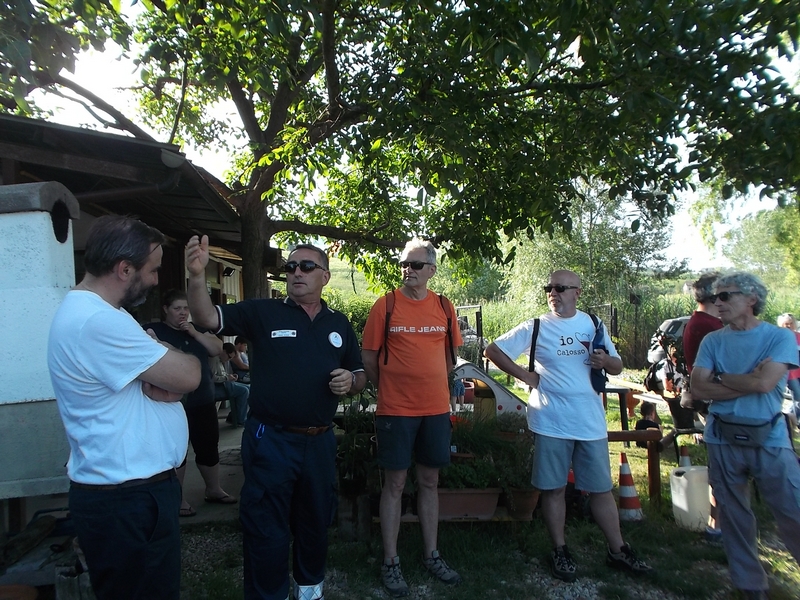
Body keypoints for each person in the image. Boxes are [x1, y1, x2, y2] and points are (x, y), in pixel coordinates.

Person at [185, 235, 366, 600]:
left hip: (319, 441)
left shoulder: (339, 323)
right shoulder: (262, 312)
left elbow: (360, 374)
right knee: (266, 527)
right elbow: (206, 317)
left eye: (306, 266)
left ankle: (310, 590)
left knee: (314, 522)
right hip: (272, 441)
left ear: (325, 277)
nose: (296, 272)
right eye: (291, 267)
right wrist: (197, 275)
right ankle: (270, 594)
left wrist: (351, 381)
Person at [47, 215, 201, 600]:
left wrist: (157, 362)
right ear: (124, 268)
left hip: (131, 497)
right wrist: (166, 360)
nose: (154, 280)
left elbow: (168, 380)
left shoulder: (106, 314)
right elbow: (190, 375)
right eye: (152, 271)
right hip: (126, 503)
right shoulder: (97, 321)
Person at [484, 269, 652, 582]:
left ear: (578, 291)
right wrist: (526, 377)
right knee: (554, 489)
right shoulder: (536, 326)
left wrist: (605, 362)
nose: (553, 292)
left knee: (601, 489)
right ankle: (560, 550)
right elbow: (492, 350)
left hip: (590, 422)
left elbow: (617, 365)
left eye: (560, 288)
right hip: (551, 421)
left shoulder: (593, 323)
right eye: (549, 287)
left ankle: (618, 550)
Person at [362, 239, 464, 597]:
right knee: (394, 483)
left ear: (432, 270)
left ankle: (431, 554)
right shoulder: (385, 306)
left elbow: (451, 359)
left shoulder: (444, 306)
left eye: (416, 265)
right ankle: (391, 561)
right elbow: (369, 359)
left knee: (430, 481)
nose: (408, 270)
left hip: (436, 410)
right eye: (404, 264)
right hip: (396, 411)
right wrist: (390, 389)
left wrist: (436, 390)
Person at [691, 272, 800, 600]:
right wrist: (745, 380)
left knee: (793, 511)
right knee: (735, 518)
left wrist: (721, 379)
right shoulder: (713, 340)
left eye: (726, 296)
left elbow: (765, 385)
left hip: (770, 439)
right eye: (715, 296)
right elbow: (698, 387)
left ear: (751, 300)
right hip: (722, 439)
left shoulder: (778, 338)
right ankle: (751, 586)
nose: (717, 302)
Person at [144, 290, 237, 517]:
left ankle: (213, 489)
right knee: (177, 451)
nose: (183, 313)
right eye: (177, 308)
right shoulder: (155, 330)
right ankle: (178, 498)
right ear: (166, 309)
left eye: (186, 309)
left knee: (208, 444)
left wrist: (194, 332)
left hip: (203, 398)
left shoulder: (198, 330)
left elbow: (217, 349)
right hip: (171, 402)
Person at [681, 271, 724, 540]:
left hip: (715, 397)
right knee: (723, 463)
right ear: (716, 296)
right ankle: (716, 525)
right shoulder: (707, 326)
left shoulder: (704, 322)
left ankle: (718, 524)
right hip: (714, 399)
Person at [213, 342, 250, 427]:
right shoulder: (213, 360)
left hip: (225, 383)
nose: (228, 360)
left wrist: (229, 376)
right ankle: (240, 419)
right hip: (219, 387)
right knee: (244, 391)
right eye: (229, 357)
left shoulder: (220, 360)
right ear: (223, 351)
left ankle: (235, 416)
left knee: (248, 388)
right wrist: (227, 378)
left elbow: (221, 374)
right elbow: (212, 378)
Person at [776, 313, 800, 430]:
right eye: (786, 324)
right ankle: (796, 422)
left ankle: (790, 416)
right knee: (798, 396)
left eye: (791, 323)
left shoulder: (798, 337)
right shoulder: (780, 338)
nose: (789, 326)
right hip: (790, 373)